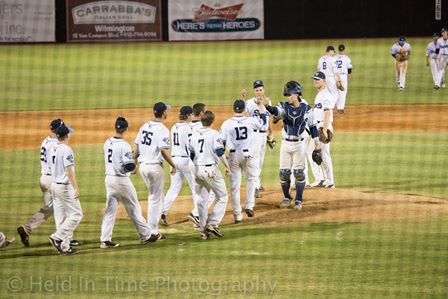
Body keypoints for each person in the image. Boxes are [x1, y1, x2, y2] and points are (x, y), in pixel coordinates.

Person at [17, 119, 78, 247]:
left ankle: (28, 228)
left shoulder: (46, 141)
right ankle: (63, 238)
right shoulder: (58, 145)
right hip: (53, 179)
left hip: (44, 179)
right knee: (67, 208)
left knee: (51, 208)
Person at [265, 81, 320, 210]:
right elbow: (275, 111)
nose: (288, 97)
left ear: (296, 94)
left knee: (299, 173)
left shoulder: (307, 109)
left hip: (300, 144)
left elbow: (313, 127)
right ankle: (287, 197)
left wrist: (317, 145)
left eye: (289, 94)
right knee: (284, 173)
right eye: (286, 95)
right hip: (286, 144)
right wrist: (267, 105)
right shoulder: (284, 107)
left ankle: (299, 200)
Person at [100, 117, 152, 248]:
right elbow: (129, 166)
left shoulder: (107, 142)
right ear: (126, 129)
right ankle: (146, 235)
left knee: (110, 210)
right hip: (121, 181)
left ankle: (105, 240)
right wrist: (134, 168)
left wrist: (131, 158)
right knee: (134, 208)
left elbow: (118, 159)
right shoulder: (124, 145)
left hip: (109, 179)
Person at [134, 102, 176, 242]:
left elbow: (137, 146)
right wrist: (173, 164)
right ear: (163, 113)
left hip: (143, 167)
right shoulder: (163, 129)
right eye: (166, 111)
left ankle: (151, 228)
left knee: (157, 197)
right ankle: (152, 231)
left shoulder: (144, 126)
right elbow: (164, 151)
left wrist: (133, 163)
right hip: (154, 168)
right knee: (155, 199)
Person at [219, 99, 267, 223]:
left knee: (234, 187)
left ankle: (237, 215)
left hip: (233, 156)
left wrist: (224, 162)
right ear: (245, 109)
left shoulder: (227, 123)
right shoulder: (250, 121)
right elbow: (263, 122)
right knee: (252, 179)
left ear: (234, 109)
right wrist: (261, 106)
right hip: (248, 155)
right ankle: (249, 206)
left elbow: (222, 143)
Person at [189, 111, 230, 239]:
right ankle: (212, 223)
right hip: (210, 170)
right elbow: (219, 151)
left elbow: (191, 153)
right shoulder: (214, 134)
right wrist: (227, 166)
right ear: (212, 121)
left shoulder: (194, 135)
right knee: (222, 196)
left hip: (197, 170)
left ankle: (202, 230)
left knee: (202, 200)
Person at [161, 106, 201, 226]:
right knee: (195, 189)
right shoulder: (188, 128)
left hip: (173, 160)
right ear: (188, 115)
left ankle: (162, 212)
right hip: (185, 161)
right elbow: (190, 146)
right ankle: (197, 215)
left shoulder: (174, 127)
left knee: (174, 188)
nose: (193, 116)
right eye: (191, 114)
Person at [48, 123, 83, 255]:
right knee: (76, 215)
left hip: (54, 185)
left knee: (61, 217)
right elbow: (68, 171)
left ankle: (64, 247)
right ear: (67, 135)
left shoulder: (52, 148)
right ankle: (57, 237)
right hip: (64, 187)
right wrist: (76, 188)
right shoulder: (67, 149)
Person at [242, 80, 273, 198]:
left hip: (263, 135)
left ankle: (257, 183)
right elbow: (243, 115)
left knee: (260, 160)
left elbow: (268, 119)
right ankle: (254, 187)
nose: (259, 92)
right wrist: (243, 97)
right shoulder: (249, 103)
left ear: (263, 90)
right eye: (257, 90)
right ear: (253, 91)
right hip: (253, 135)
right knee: (254, 161)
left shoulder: (267, 102)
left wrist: (270, 133)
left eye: (261, 90)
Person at [310, 71, 336, 188]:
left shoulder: (326, 95)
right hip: (317, 126)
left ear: (324, 81)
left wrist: (324, 130)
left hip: (322, 127)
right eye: (314, 79)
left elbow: (327, 114)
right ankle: (321, 179)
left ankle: (329, 181)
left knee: (324, 154)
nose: (315, 81)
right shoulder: (319, 94)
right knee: (313, 152)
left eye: (318, 79)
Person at [334, 44, 353, 114]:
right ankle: (340, 108)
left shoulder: (334, 57)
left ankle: (332, 106)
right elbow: (349, 68)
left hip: (335, 76)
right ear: (344, 50)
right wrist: (349, 75)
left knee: (335, 92)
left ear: (338, 49)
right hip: (343, 76)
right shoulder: (346, 58)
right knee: (343, 92)